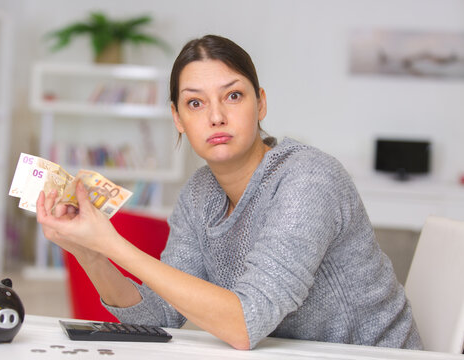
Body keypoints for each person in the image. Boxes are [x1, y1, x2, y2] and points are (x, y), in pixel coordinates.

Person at [36, 34, 422, 350]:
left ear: (261, 103)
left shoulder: (308, 178)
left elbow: (244, 325)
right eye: (195, 103)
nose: (216, 115)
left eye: (233, 95)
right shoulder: (198, 195)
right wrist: (92, 254)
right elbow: (158, 317)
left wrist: (116, 244)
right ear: (178, 119)